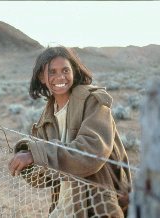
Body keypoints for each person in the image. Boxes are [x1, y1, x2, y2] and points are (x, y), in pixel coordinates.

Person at [8, 46, 131, 217]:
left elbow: (92, 152)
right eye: (52, 72)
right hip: (64, 205)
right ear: (42, 77)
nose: (60, 77)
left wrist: (36, 154)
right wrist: (29, 159)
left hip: (97, 204)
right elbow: (46, 178)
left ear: (74, 71)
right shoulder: (46, 119)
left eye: (65, 70)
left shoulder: (93, 101)